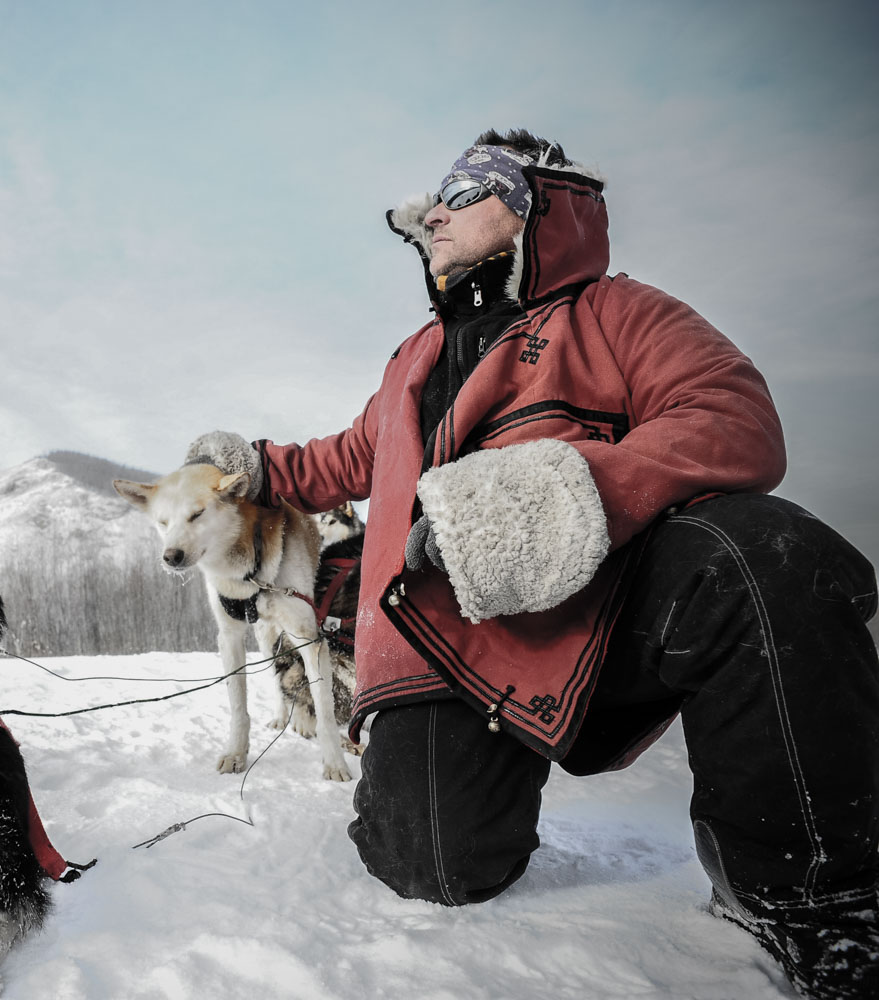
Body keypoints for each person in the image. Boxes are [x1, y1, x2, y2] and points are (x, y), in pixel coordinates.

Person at [199, 128, 879, 999]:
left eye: (466, 191)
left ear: (533, 208)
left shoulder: (620, 313)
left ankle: (808, 896)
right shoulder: (412, 359)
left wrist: (543, 500)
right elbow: (342, 459)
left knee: (761, 554)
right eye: (431, 200)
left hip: (597, 612)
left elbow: (729, 415)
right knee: (433, 867)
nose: (434, 211)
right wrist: (248, 467)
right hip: (446, 640)